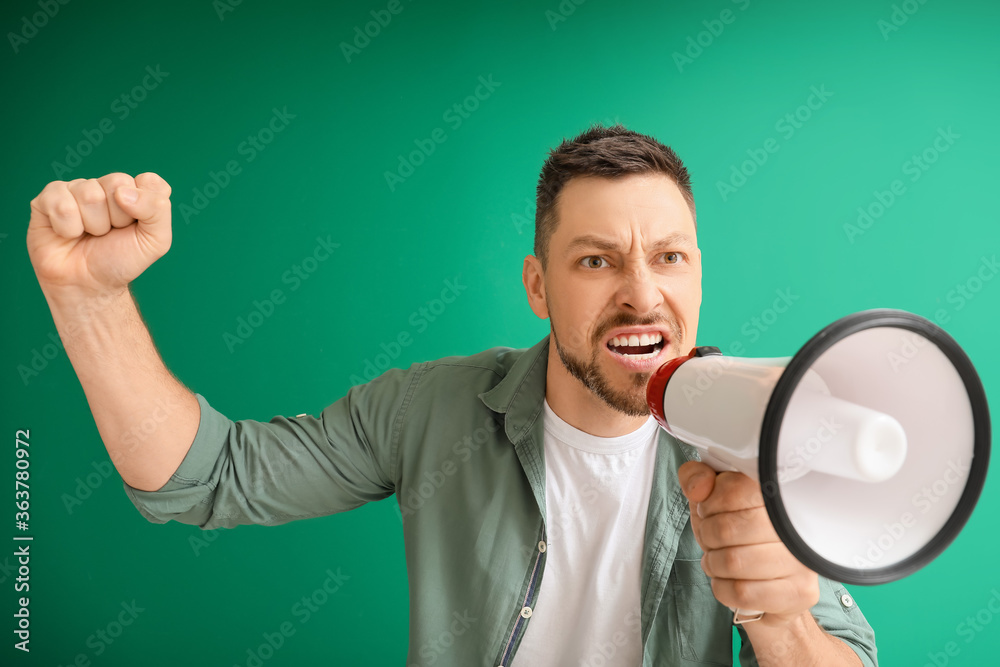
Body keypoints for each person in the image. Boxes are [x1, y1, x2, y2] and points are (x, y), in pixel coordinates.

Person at [26, 123, 877, 666]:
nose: (642, 293)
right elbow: (205, 479)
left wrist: (781, 618)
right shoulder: (429, 410)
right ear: (538, 287)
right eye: (596, 259)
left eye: (670, 257)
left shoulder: (755, 432)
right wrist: (88, 299)